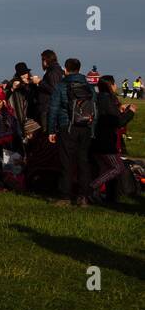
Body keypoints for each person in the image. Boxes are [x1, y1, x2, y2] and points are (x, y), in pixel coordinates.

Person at [47, 57, 97, 206]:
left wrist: (51, 130)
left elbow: (54, 109)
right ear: (80, 69)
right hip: (85, 127)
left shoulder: (61, 86)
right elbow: (95, 110)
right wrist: (92, 128)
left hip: (66, 126)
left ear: (66, 69)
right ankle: (83, 197)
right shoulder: (88, 86)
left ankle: (65, 196)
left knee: (66, 162)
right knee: (83, 162)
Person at [89, 76, 136, 204]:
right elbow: (117, 122)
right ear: (110, 85)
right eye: (114, 84)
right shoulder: (107, 99)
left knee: (104, 169)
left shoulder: (99, 98)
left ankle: (97, 194)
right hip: (105, 140)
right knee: (118, 167)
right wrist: (130, 112)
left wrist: (119, 110)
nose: (116, 86)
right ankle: (92, 187)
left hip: (96, 139)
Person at [37, 49, 62, 134]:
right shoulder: (55, 70)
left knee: (48, 133)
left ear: (45, 60)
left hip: (48, 107)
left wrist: (39, 82)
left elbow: (54, 89)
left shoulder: (53, 71)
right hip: (49, 106)